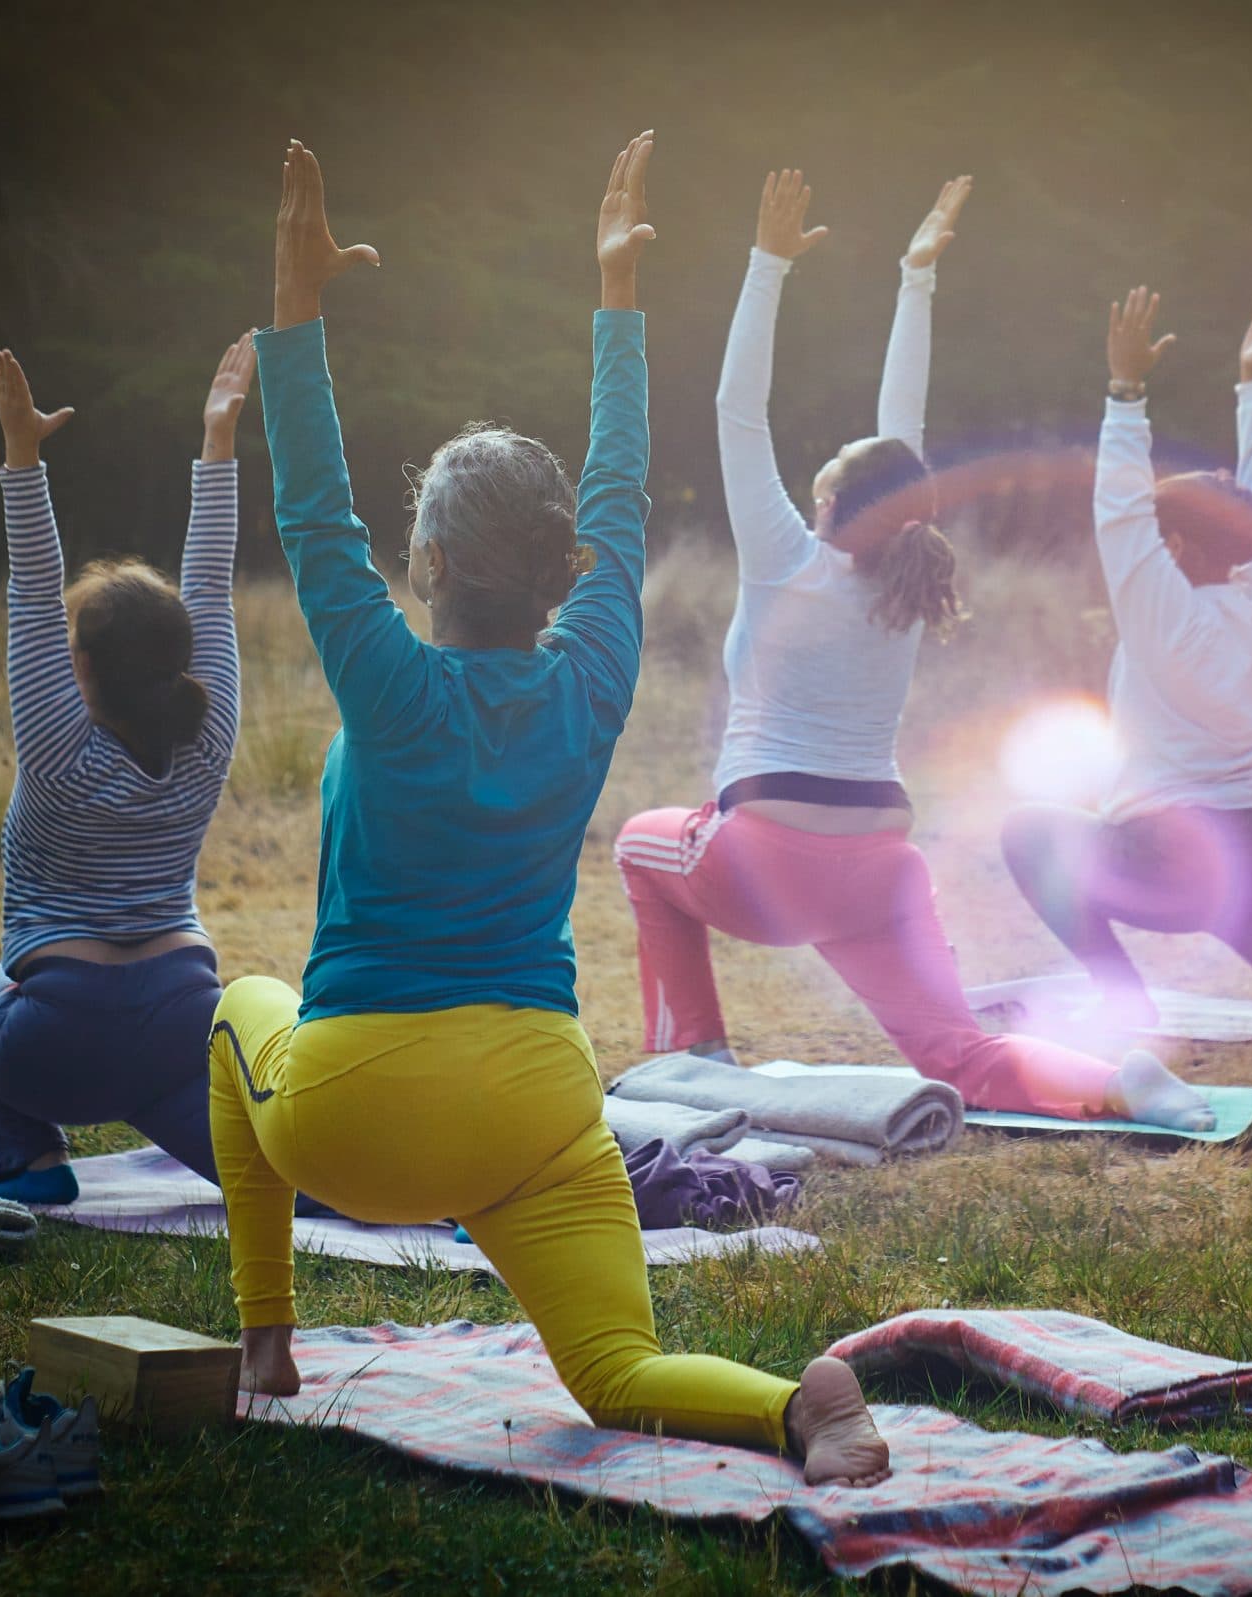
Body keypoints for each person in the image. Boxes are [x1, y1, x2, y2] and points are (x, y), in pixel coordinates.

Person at [206, 135, 889, 1485]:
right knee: (614, 1373)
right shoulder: (591, 682)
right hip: (536, 1104)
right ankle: (797, 1405)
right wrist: (618, 304)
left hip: (358, 1117)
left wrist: (296, 316)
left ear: (434, 563)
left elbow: (312, 511)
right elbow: (621, 501)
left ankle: (265, 1339)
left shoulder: (389, 682)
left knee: (238, 1002)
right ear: (562, 566)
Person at [613, 171, 1211, 1132]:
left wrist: (766, 263)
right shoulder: (903, 580)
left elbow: (738, 408)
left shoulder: (787, 561)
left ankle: (695, 1057)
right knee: (958, 1051)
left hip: (762, 861)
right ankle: (1122, 1080)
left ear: (825, 505)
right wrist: (915, 278)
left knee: (640, 845)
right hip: (881, 865)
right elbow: (906, 435)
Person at [1000, 286, 1252, 1043]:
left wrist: (1125, 392)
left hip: (1164, 865)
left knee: (1027, 832)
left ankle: (1122, 1000)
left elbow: (1118, 513)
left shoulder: (1160, 616)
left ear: (1177, 548)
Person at [0, 334, 253, 1204]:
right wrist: (218, 443)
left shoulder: (56, 749)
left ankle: (33, 1164)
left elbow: (34, 589)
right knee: (273, 1173)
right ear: (181, 661)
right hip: (185, 1024)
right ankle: (399, 1187)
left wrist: (23, 455)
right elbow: (212, 587)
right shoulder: (211, 732)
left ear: (77, 669)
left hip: (56, 1045)